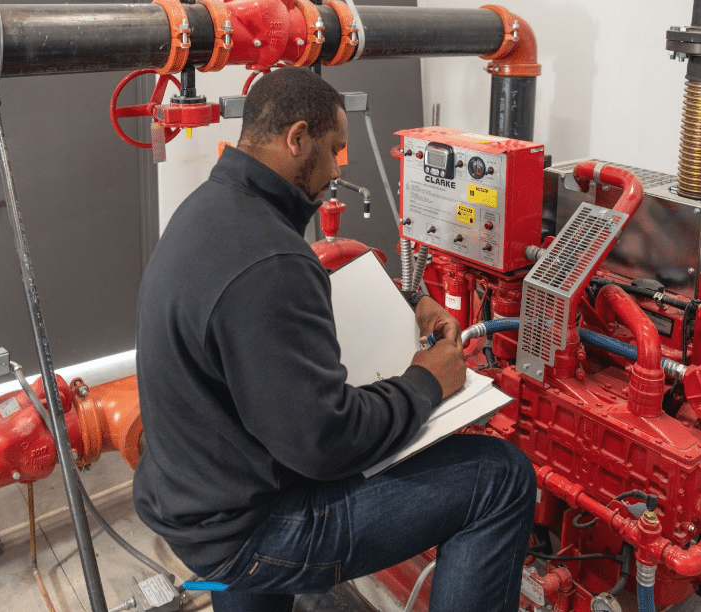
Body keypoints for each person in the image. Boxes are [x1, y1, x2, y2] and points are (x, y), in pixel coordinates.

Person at [133, 67, 536, 612]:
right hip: (246, 534)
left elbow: (278, 314)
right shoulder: (270, 259)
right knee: (501, 477)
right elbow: (326, 443)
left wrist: (407, 301)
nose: (337, 169)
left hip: (192, 497)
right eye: (334, 150)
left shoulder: (213, 209)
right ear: (297, 138)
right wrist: (427, 383)